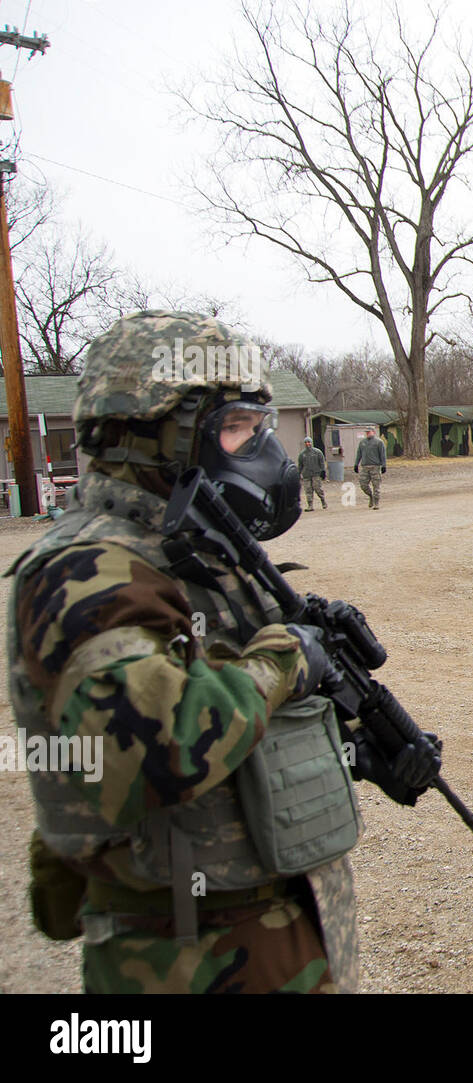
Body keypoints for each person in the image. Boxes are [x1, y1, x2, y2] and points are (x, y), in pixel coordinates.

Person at [8, 310, 360, 992]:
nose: (256, 447)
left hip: (265, 931)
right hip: (184, 955)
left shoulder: (184, 545)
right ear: (154, 436)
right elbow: (147, 747)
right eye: (234, 427)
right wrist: (285, 661)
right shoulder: (87, 568)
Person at [354, 425, 387, 510]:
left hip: (375, 467)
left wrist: (384, 465)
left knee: (376, 486)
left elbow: (383, 455)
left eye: (369, 432)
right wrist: (356, 464)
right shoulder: (362, 442)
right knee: (363, 484)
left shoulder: (379, 442)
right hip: (365, 467)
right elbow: (359, 454)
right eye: (366, 432)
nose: (368, 433)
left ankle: (376, 503)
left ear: (373, 432)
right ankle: (370, 496)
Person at [298, 436, 328, 511]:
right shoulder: (302, 454)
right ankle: (310, 505)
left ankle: (323, 501)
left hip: (316, 474)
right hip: (306, 475)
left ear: (311, 443)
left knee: (317, 488)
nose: (308, 444)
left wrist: (323, 471)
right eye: (306, 442)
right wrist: (298, 474)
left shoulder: (317, 452)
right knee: (308, 490)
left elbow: (322, 462)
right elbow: (300, 465)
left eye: (309, 442)